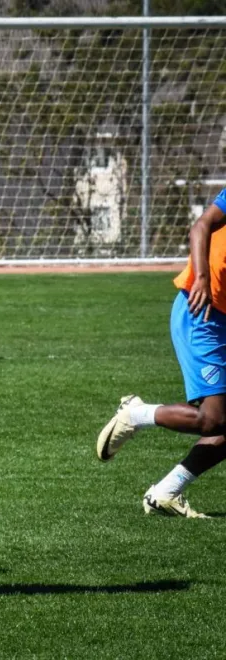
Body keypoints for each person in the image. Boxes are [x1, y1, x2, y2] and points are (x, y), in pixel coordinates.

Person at [97, 188, 226, 519]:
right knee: (212, 419)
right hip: (202, 311)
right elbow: (200, 226)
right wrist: (201, 277)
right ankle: (136, 414)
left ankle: (166, 492)